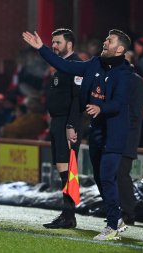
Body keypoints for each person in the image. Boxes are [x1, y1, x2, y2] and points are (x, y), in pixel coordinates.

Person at [23, 29, 132, 240]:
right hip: (97, 131)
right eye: (106, 38)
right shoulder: (94, 64)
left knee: (108, 176)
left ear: (120, 49)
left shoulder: (125, 73)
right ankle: (116, 217)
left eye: (109, 40)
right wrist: (41, 48)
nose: (105, 41)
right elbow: (66, 65)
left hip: (115, 132)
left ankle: (112, 227)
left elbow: (119, 102)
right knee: (101, 177)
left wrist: (102, 109)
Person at [40, 28, 83, 229]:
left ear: (70, 44)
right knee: (61, 167)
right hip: (58, 122)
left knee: (67, 168)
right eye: (53, 42)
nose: (54, 46)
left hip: (67, 122)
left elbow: (77, 99)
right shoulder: (62, 67)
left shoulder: (76, 66)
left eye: (58, 42)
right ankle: (67, 214)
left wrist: (71, 125)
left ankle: (69, 215)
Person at [117, 55, 143, 226]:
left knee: (121, 174)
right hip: (120, 134)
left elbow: (134, 114)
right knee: (116, 174)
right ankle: (121, 210)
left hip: (127, 135)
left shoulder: (134, 81)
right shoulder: (122, 79)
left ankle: (128, 212)